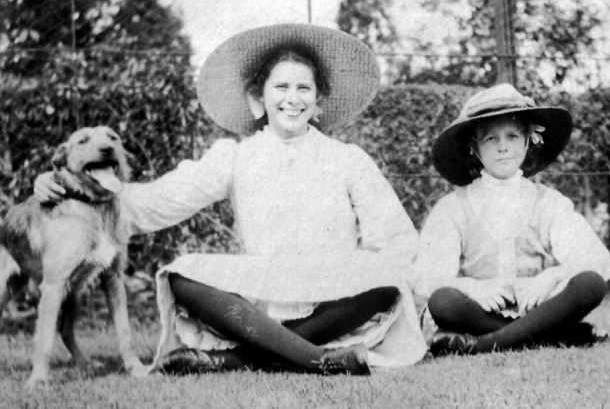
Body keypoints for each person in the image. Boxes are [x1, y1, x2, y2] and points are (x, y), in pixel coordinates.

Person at [35, 23, 427, 375]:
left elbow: (395, 237)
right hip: (262, 300)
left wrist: (371, 271)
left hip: (331, 295)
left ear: (319, 101)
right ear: (259, 98)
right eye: (281, 87)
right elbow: (160, 201)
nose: (292, 99)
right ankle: (317, 359)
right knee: (182, 277)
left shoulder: (348, 159)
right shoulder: (237, 156)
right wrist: (65, 183)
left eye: (304, 88)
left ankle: (240, 359)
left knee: (385, 280)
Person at [413, 83, 610, 356]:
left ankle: (482, 345)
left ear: (527, 141)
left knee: (590, 284)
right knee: (443, 301)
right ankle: (559, 335)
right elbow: (426, 278)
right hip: (483, 309)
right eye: (490, 139)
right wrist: (474, 287)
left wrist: (549, 278)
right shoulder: (453, 207)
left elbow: (598, 260)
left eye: (512, 136)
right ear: (474, 147)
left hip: (540, 306)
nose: (503, 147)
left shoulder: (548, 202)